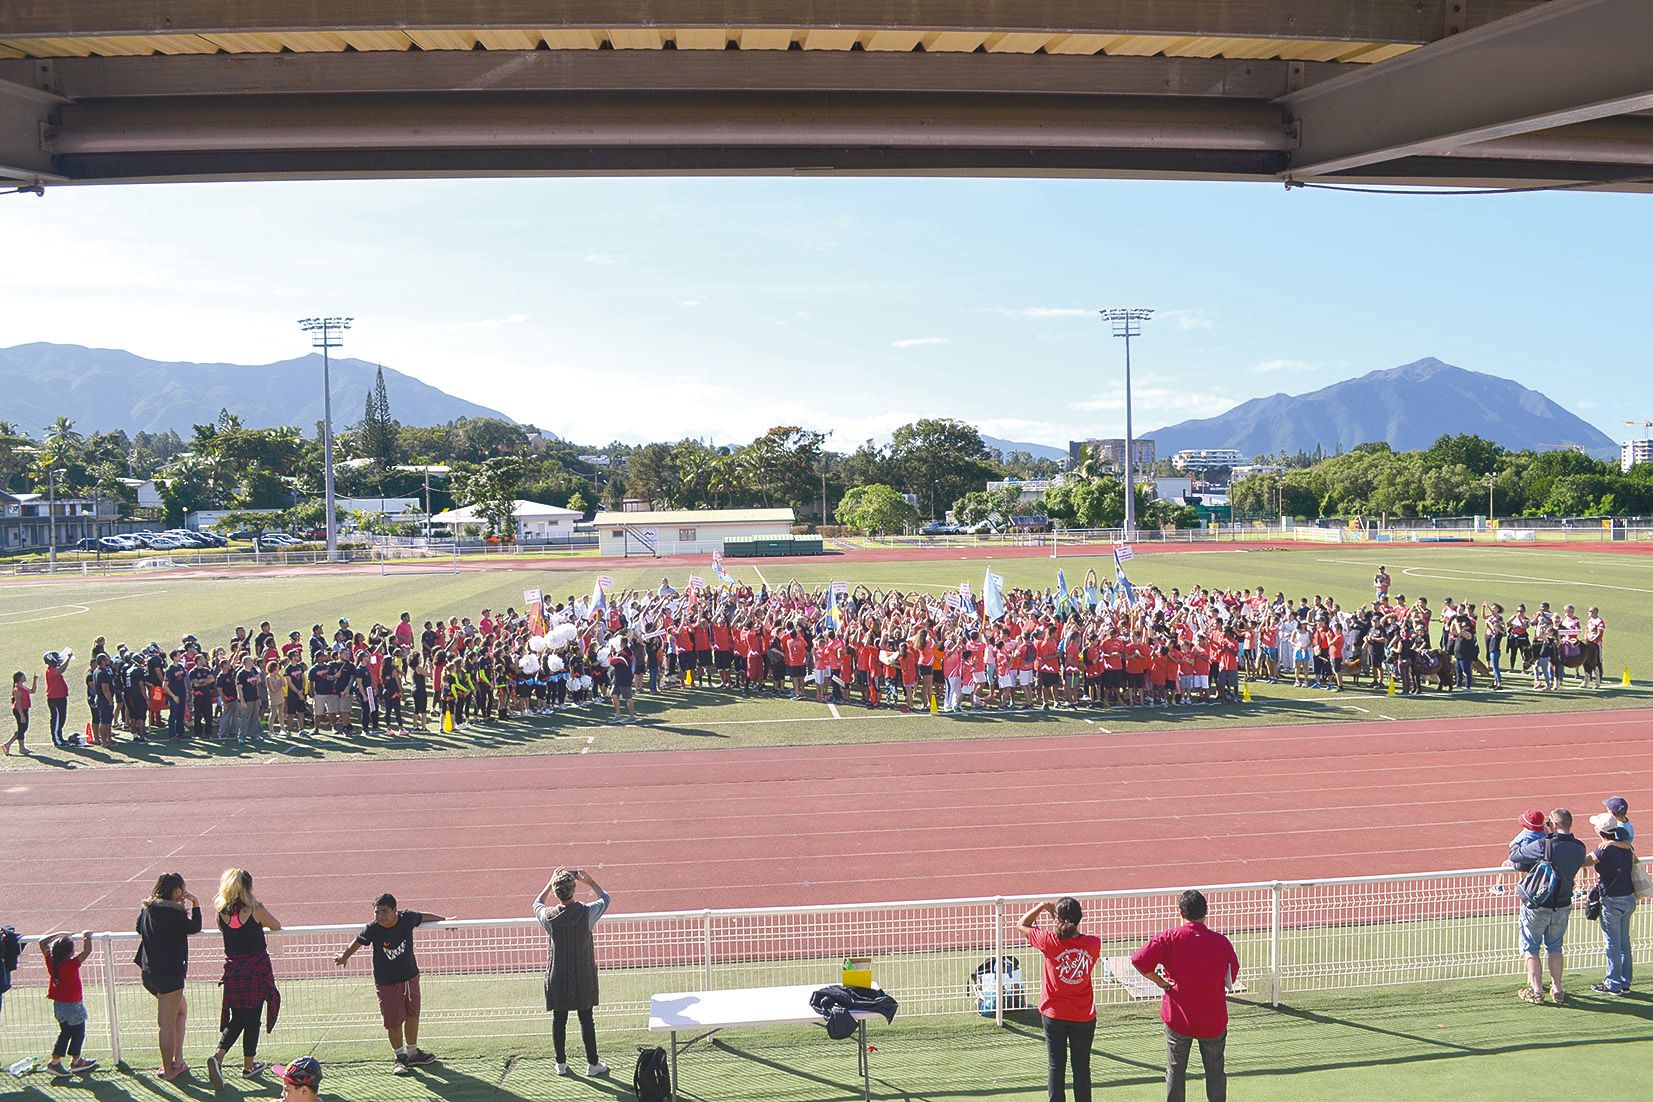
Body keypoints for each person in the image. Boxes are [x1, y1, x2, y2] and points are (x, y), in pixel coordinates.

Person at [1132, 890, 1240, 1102]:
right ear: (1206, 912)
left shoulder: (1169, 938)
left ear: (1180, 912)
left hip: (1178, 1018)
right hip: (1212, 1020)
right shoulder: (1221, 942)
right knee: (1215, 1070)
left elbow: (1138, 960)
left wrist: (1162, 982)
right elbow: (1231, 977)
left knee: (1175, 1070)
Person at [335, 893, 447, 1075]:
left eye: (384, 912)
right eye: (377, 912)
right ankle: (399, 1057)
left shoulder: (407, 918)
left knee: (413, 1015)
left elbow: (422, 916)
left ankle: (413, 1052)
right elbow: (357, 941)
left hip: (410, 977)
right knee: (393, 1022)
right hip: (387, 983)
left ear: (395, 910)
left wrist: (443, 920)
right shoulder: (373, 929)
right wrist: (344, 956)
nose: (380, 917)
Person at [1017, 896, 1099, 1102]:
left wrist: (1043, 907)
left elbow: (1021, 924)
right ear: (1080, 919)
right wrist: (1057, 916)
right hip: (1083, 1016)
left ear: (1058, 920)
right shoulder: (1093, 943)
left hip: (1054, 1015)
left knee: (1056, 1064)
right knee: (1081, 1067)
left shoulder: (1048, 941)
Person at [206, 868, 282, 1087]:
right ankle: (246, 1065)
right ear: (247, 886)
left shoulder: (221, 911)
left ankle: (221, 1057)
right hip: (256, 969)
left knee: (238, 1017)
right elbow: (275, 925)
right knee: (252, 1018)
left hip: (234, 970)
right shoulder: (255, 909)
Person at [534, 868, 612, 1078]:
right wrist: (591, 881)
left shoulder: (549, 918)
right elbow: (606, 898)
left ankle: (560, 1063)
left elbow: (537, 904)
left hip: (557, 975)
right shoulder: (587, 913)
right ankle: (593, 1064)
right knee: (586, 1019)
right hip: (582, 975)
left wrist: (549, 884)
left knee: (559, 1020)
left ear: (557, 892)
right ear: (573, 889)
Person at [1509, 808, 1588, 1005]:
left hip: (1538, 904)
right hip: (1562, 904)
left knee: (1531, 947)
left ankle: (1536, 991)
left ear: (1555, 824)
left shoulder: (1544, 845)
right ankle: (1558, 989)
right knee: (1555, 946)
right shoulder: (1580, 847)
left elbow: (1516, 856)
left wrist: (1521, 838)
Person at [136, 872, 203, 1081]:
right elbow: (194, 927)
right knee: (166, 1023)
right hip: (168, 974)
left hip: (149, 972)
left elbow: (138, 927)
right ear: (176, 891)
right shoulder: (175, 913)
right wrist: (196, 904)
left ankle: (177, 1058)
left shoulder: (148, 908)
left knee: (180, 1011)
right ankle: (169, 1069)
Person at [1584, 812, 1637, 995]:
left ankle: (1613, 984)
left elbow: (1586, 861)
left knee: (1612, 943)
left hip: (1612, 900)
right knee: (1624, 942)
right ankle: (1624, 981)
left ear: (1600, 831)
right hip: (1629, 897)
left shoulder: (1604, 849)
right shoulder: (1625, 845)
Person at [41, 931, 98, 1077]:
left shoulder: (52, 963)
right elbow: (87, 951)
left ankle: (58, 1061)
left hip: (59, 1005)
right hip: (73, 1005)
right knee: (78, 1032)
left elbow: (42, 942)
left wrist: (59, 935)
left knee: (65, 1032)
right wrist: (87, 936)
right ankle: (75, 1061)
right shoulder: (71, 964)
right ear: (69, 952)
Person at [4, 671, 35, 756]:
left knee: (23, 728)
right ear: (20, 678)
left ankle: (9, 745)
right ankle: (20, 748)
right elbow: (18, 704)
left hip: (24, 710)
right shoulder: (17, 689)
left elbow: (32, 691)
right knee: (22, 729)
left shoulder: (23, 687)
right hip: (19, 711)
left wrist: (34, 681)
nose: (25, 676)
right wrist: (22, 716)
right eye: (23, 676)